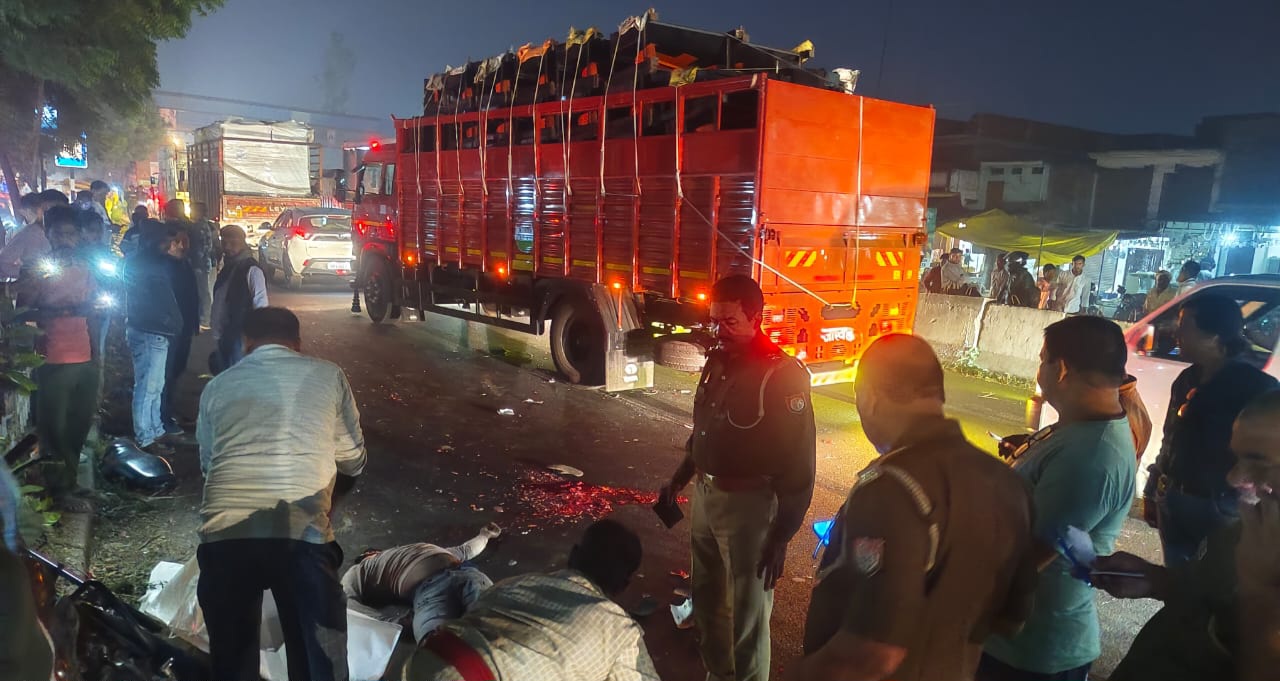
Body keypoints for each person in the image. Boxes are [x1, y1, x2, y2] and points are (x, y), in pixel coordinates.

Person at [796, 334, 1037, 681]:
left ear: (870, 398)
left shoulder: (892, 487)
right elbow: (1013, 618)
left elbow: (871, 655)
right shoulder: (1008, 483)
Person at [658, 274, 816, 681]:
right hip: (706, 497)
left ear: (756, 318)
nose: (719, 330)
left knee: (748, 617)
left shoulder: (781, 375)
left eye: (729, 322)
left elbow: (800, 464)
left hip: (750, 510)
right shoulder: (718, 361)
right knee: (707, 602)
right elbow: (703, 431)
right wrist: (679, 479)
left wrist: (782, 536)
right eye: (714, 321)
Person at [196, 306, 366, 681]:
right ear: (297, 343)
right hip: (302, 538)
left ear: (246, 342)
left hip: (225, 539)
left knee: (232, 660)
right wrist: (329, 502)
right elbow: (353, 460)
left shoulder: (217, 386)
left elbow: (209, 465)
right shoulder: (329, 375)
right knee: (319, 658)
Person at [979, 316, 1137, 681]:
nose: (1040, 371)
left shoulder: (1092, 454)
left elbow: (1029, 555)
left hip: (1033, 653)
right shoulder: (1079, 427)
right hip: (1015, 643)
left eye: (1042, 360)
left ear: (1061, 369)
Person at [1091, 390, 1280, 681]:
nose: (1233, 478)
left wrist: (1259, 589)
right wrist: (1154, 580)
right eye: (1237, 458)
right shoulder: (1247, 527)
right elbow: (1207, 592)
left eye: (1260, 463)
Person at [403, 519, 659, 681]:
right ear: (623, 585)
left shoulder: (513, 584)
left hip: (425, 664)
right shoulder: (621, 632)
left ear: (573, 555)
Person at [1142, 294, 1278, 564]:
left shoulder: (1256, 388)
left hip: (1223, 506)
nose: (1176, 334)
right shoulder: (1187, 379)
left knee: (1216, 581)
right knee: (1176, 579)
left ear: (1215, 335)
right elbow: (1170, 438)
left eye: (1185, 326)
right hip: (1176, 499)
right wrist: (1153, 486)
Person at [17, 206, 100, 512]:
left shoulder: (87, 266)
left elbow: (96, 305)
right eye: (59, 233)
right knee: (54, 426)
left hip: (85, 354)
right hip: (53, 356)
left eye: (71, 233)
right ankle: (58, 491)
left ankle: (70, 481)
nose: (66, 239)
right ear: (49, 236)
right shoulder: (38, 269)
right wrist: (60, 310)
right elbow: (23, 309)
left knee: (79, 423)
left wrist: (96, 350)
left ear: (79, 236)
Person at [342, 523, 502, 642]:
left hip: (461, 577)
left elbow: (465, 550)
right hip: (436, 588)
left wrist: (485, 535)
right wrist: (393, 625)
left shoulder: (412, 551)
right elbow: (343, 602)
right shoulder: (361, 568)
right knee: (439, 649)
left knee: (498, 628)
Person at [123, 220, 184, 455]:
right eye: (166, 241)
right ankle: (145, 437)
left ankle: (155, 430)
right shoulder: (148, 265)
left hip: (153, 330)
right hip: (150, 330)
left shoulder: (144, 262)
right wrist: (173, 322)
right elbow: (157, 300)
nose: (170, 245)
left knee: (155, 386)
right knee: (148, 386)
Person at [210, 225, 268, 372]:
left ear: (243, 242)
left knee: (237, 374)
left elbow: (261, 304)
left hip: (241, 334)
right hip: (225, 331)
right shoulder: (228, 267)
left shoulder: (252, 270)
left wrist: (256, 336)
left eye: (233, 243)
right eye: (224, 243)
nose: (227, 247)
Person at [159, 228, 200, 437]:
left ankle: (168, 412)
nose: (182, 246)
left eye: (185, 241)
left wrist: (194, 323)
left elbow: (192, 296)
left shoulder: (183, 264)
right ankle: (162, 418)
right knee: (165, 374)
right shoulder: (162, 267)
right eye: (177, 242)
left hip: (183, 328)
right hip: (169, 330)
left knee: (176, 371)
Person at [0, 193, 52, 280]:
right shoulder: (27, 234)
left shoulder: (54, 231)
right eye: (42, 209)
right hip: (35, 283)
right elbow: (3, 262)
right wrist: (27, 273)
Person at [189, 201, 217, 329]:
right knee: (206, 291)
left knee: (203, 292)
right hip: (207, 263)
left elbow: (200, 248)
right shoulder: (209, 225)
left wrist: (196, 263)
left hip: (201, 264)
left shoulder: (198, 227)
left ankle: (206, 319)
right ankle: (206, 318)